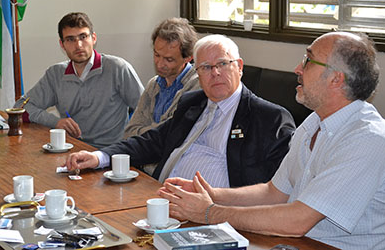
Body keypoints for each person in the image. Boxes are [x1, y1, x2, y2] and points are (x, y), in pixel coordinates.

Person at [158, 32, 385, 250]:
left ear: (336, 79)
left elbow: (297, 221)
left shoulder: (368, 139)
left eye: (308, 60)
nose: (297, 68)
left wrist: (209, 212)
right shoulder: (313, 122)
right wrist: (211, 194)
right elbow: (273, 193)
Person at [65, 34, 295, 188]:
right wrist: (99, 157)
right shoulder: (192, 103)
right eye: (205, 67)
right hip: (161, 200)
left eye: (223, 64)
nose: (215, 73)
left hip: (218, 216)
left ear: (240, 67)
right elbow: (150, 142)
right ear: (197, 73)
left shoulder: (269, 118)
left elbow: (273, 189)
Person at [14, 12, 144, 148]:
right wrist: (56, 122)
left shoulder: (117, 68)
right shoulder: (56, 74)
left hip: (109, 154)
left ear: (93, 38)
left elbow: (146, 111)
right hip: (70, 151)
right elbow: (20, 108)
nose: (79, 45)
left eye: (83, 37)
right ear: (62, 44)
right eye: (70, 39)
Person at [124, 17, 200, 139]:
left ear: (188, 58)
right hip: (146, 156)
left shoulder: (196, 86)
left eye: (169, 59)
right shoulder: (153, 84)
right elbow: (129, 131)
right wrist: (157, 132)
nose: (159, 64)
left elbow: (173, 136)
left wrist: (145, 132)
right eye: (156, 55)